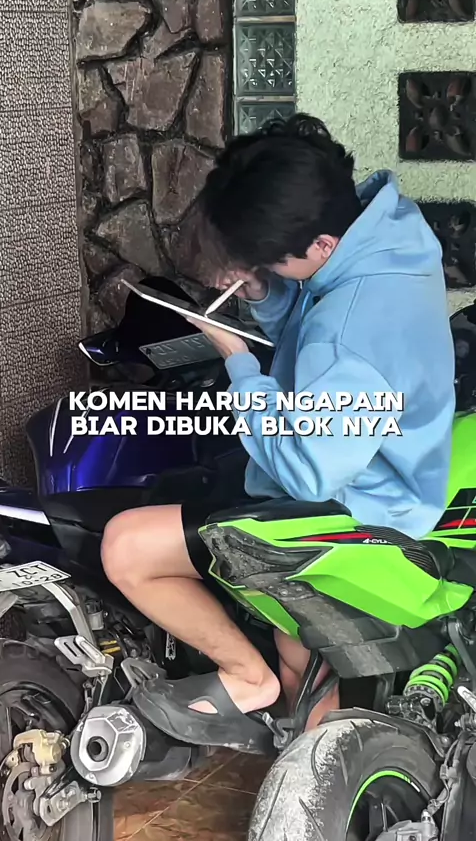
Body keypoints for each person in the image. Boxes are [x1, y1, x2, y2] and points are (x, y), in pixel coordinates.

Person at [101, 114, 455, 749]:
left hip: (361, 507)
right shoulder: (388, 235)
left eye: (269, 259)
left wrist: (239, 363)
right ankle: (310, 769)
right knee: (299, 649)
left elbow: (307, 470)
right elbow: (319, 313)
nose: (262, 264)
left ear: (320, 244)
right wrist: (267, 292)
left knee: (126, 548)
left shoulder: (351, 334)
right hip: (381, 465)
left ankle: (246, 677)